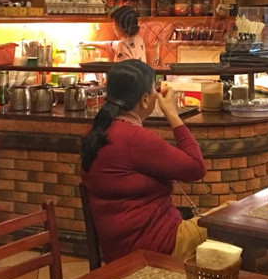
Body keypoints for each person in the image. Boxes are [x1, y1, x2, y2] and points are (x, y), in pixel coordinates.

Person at [80, 59, 206, 261]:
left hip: (122, 247)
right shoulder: (134, 138)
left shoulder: (97, 131)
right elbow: (196, 168)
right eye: (154, 89)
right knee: (231, 218)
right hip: (157, 246)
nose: (157, 94)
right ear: (145, 100)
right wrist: (172, 114)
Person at [80, 5, 146, 62]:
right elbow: (109, 45)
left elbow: (124, 70)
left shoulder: (122, 46)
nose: (113, 27)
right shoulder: (139, 39)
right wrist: (89, 43)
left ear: (122, 26)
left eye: (114, 24)